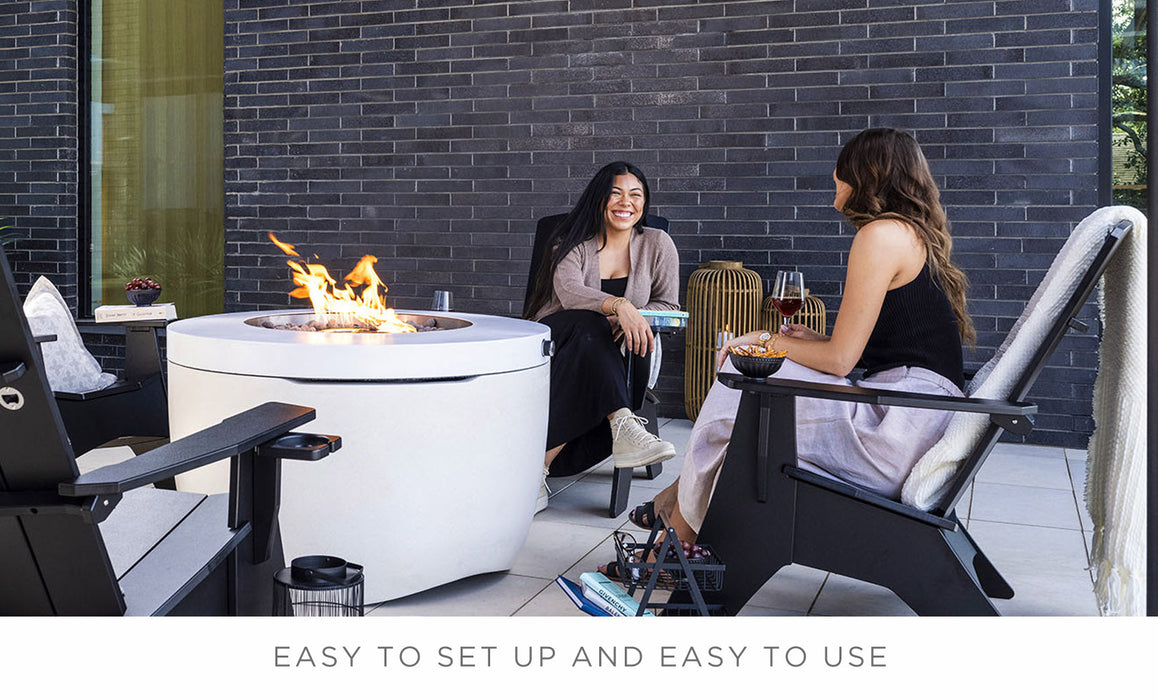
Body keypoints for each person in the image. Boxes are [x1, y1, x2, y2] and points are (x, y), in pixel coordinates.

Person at [610, 127, 975, 565]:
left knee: (742, 377)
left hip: (896, 432)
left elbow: (841, 361)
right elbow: (882, 347)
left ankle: (672, 544)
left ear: (863, 173)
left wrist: (767, 338)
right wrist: (811, 340)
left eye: (840, 170)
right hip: (912, 417)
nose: (835, 179)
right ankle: (676, 509)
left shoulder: (880, 235)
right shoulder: (910, 235)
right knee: (748, 421)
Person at [525, 161, 682, 512]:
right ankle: (624, 422)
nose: (626, 202)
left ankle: (535, 474)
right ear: (599, 200)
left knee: (597, 333)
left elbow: (668, 304)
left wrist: (629, 317)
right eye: (616, 194)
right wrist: (617, 307)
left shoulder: (658, 244)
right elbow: (569, 293)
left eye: (635, 195)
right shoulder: (570, 243)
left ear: (644, 203)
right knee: (589, 325)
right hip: (559, 342)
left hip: (623, 349)